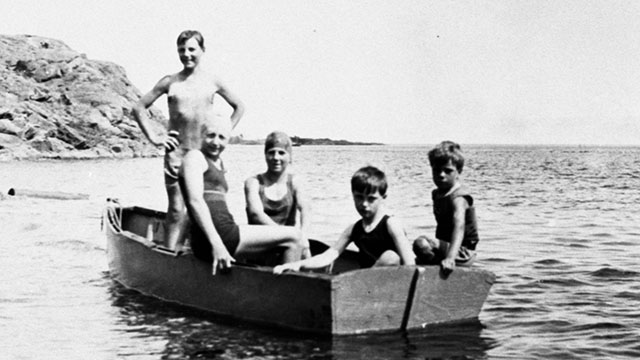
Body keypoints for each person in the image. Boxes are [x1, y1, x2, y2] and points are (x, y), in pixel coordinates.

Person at [132, 30, 245, 250]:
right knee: (176, 209)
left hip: (205, 156)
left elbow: (239, 107)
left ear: (202, 51)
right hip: (177, 154)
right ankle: (169, 255)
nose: (187, 54)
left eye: (192, 49)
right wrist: (155, 137)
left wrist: (224, 133)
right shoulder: (170, 82)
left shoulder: (213, 81)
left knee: (207, 208)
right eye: (182, 50)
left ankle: (204, 253)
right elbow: (138, 107)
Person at [179, 116, 307, 275]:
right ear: (201, 135)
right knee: (295, 237)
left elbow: (190, 210)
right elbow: (194, 202)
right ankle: (286, 292)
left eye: (222, 137)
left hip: (223, 234)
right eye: (211, 135)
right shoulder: (194, 157)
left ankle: (276, 281)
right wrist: (218, 246)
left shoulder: (216, 164)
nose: (216, 142)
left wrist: (180, 242)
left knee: (288, 240)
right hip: (220, 238)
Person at [273, 166, 415, 274]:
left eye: (371, 199)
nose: (364, 204)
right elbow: (329, 255)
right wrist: (298, 264)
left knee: (390, 257)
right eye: (359, 197)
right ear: (352, 195)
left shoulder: (391, 224)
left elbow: (410, 264)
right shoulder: (354, 229)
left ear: (383, 198)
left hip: (392, 282)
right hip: (366, 282)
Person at [412, 141, 479, 274]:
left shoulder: (459, 198)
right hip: (446, 248)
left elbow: (459, 226)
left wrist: (450, 258)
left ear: (458, 171)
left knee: (421, 244)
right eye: (437, 170)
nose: (441, 175)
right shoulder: (437, 193)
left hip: (462, 252)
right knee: (412, 257)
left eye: (448, 171)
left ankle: (442, 272)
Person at [244, 131, 312, 258]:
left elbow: (306, 209)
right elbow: (256, 214)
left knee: (303, 247)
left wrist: (303, 237)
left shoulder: (296, 182)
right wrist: (288, 236)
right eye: (271, 152)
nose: (276, 158)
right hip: (260, 246)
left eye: (281, 153)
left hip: (288, 245)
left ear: (290, 156)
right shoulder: (253, 182)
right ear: (265, 155)